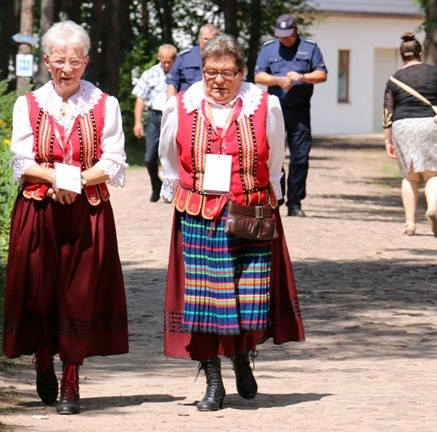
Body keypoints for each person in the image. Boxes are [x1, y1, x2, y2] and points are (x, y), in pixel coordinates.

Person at [158, 34, 305, 412]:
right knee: (207, 302)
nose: (218, 80)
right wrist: (182, 190)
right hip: (199, 213)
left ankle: (242, 355)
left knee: (248, 298)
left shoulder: (265, 106)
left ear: (242, 73)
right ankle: (213, 382)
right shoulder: (181, 107)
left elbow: (274, 162)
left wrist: (267, 195)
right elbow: (170, 160)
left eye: (227, 72)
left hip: (249, 212)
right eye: (210, 72)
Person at [3, 20, 129, 416]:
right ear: (46, 61)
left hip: (87, 213)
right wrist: (58, 177)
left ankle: (71, 377)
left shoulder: (105, 104)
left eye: (75, 60)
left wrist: (74, 182)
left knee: (79, 293)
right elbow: (22, 160)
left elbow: (113, 160)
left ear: (86, 62)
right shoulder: (27, 103)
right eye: (59, 60)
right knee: (39, 290)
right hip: (37, 210)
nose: (67, 68)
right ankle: (43, 355)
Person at [383, 32, 437, 237]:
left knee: (410, 176)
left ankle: (410, 223)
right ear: (420, 53)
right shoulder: (433, 73)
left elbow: (388, 112)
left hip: (403, 126)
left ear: (401, 56)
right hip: (429, 124)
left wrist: (387, 139)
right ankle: (432, 208)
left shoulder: (394, 79)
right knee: (433, 173)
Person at [254, 14, 328, 217]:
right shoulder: (269, 48)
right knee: (274, 156)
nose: (284, 39)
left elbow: (322, 75)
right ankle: (277, 197)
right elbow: (258, 75)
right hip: (275, 110)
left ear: (296, 30)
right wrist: (278, 80)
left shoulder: (310, 47)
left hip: (300, 110)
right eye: (280, 35)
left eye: (287, 35)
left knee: (300, 157)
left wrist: (302, 77)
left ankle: (295, 203)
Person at [132, 44, 177, 202]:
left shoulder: (178, 73)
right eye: (164, 61)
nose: (167, 64)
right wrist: (138, 122)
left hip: (172, 117)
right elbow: (140, 98)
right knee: (149, 157)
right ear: (159, 58)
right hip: (154, 117)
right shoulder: (149, 74)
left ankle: (171, 190)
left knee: (172, 156)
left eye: (169, 61)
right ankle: (156, 185)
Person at [165, 23, 219, 97]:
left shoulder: (224, 58)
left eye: (211, 39)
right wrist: (170, 104)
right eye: (205, 39)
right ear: (199, 38)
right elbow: (172, 83)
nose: (208, 42)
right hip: (186, 102)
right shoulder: (185, 56)